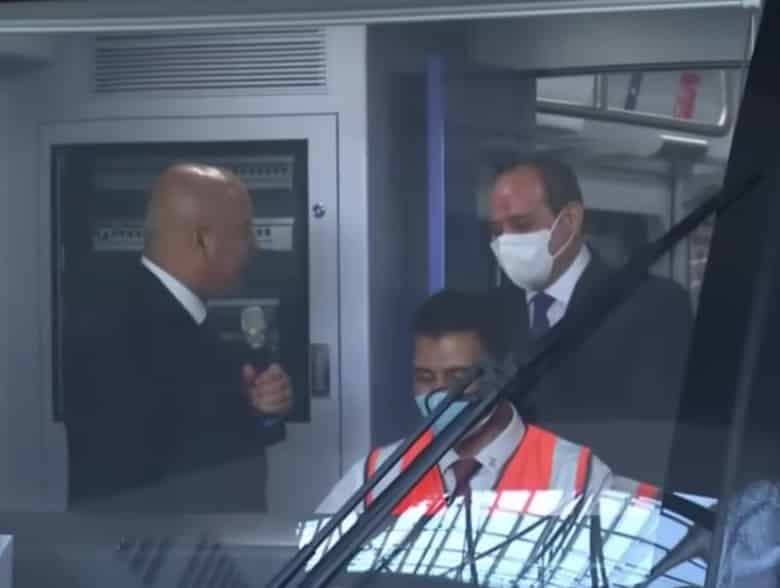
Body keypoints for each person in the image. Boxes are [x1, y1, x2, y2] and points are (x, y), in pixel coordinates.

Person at [65, 163, 293, 512]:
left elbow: (194, 426)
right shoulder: (120, 330)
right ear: (203, 239)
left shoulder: (182, 315)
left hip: (206, 543)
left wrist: (259, 408)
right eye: (244, 232)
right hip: (164, 544)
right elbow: (132, 476)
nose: (254, 246)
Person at [486, 157, 693, 486]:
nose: (506, 241)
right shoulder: (489, 314)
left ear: (570, 219)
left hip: (608, 502)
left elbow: (656, 438)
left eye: (522, 225)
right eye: (497, 230)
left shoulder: (651, 305)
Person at [316, 289, 612, 516]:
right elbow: (315, 559)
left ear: (502, 374)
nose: (440, 393)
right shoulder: (376, 476)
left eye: (458, 377)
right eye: (425, 376)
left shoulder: (574, 475)